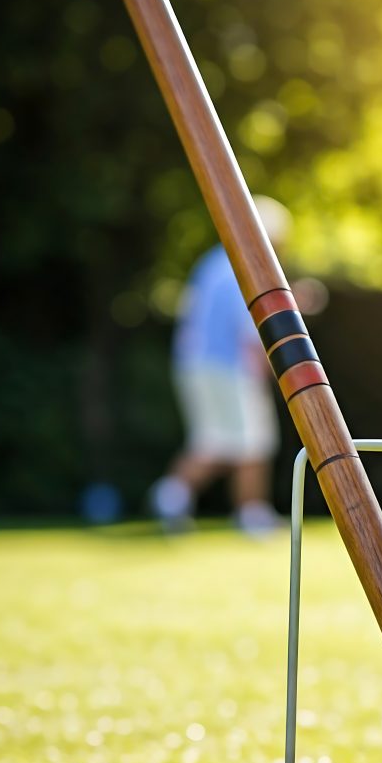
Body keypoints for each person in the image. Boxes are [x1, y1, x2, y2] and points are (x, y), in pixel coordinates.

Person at [150, 197, 290, 536]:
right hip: (229, 365)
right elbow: (250, 335)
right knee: (254, 439)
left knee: (213, 440)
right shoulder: (248, 268)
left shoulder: (212, 262)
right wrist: (273, 375)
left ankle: (171, 496)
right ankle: (252, 516)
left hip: (193, 364)